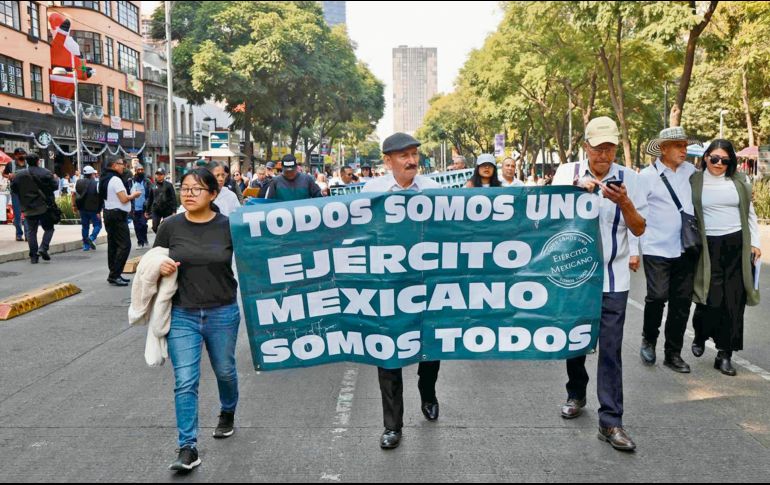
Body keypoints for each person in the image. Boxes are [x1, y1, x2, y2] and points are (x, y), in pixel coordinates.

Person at [552, 116, 647, 452]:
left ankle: (611, 421)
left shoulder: (631, 179)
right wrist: (574, 194)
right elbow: (550, 218)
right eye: (597, 148)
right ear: (585, 147)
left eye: (610, 148)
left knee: (610, 348)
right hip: (575, 276)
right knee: (576, 340)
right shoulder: (567, 173)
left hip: (613, 277)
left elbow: (639, 227)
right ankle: (576, 392)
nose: (604, 155)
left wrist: (624, 202)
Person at [154, 168, 240, 472]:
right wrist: (160, 267)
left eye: (197, 189)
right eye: (185, 188)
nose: (189, 194)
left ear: (214, 194)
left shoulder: (229, 226)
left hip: (222, 311)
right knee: (185, 381)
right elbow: (152, 262)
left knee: (225, 371)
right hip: (182, 313)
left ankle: (227, 411)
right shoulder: (170, 226)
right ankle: (187, 447)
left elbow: (256, 259)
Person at [360, 132, 442, 450]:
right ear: (388, 160)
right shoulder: (371, 192)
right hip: (387, 287)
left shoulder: (434, 190)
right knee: (388, 353)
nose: (411, 161)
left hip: (428, 284)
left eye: (414, 154)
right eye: (404, 155)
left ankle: (428, 392)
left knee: (430, 346)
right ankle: (392, 426)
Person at [691, 140, 761, 376]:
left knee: (734, 302)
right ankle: (701, 332)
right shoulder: (695, 180)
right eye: (714, 158)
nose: (719, 164)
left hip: (737, 245)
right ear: (706, 157)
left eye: (724, 160)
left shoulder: (740, 180)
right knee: (711, 299)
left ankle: (725, 354)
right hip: (708, 247)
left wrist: (755, 243)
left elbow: (750, 213)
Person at [637, 127, 699, 373]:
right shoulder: (646, 177)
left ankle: (673, 354)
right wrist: (634, 250)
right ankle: (648, 339)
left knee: (681, 303)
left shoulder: (691, 172)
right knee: (657, 296)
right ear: (663, 149)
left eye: (685, 145)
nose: (684, 150)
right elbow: (636, 212)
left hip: (686, 247)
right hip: (656, 247)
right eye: (678, 146)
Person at [10, 154, 59, 264]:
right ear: (38, 161)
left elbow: (14, 189)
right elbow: (55, 186)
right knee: (49, 228)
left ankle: (33, 256)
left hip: (28, 207)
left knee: (31, 232)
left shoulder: (19, 175)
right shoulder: (46, 172)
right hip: (44, 206)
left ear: (27, 162)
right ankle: (43, 248)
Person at [100, 157, 141, 287]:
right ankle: (115, 275)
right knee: (125, 245)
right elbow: (123, 199)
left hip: (108, 213)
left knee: (113, 244)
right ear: (114, 165)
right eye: (121, 164)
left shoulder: (104, 178)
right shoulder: (115, 179)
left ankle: (113, 273)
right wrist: (134, 195)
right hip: (117, 215)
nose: (124, 166)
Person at [72, 165, 102, 251]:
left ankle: (86, 245)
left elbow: (73, 194)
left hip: (82, 209)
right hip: (93, 209)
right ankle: (91, 238)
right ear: (92, 174)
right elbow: (100, 197)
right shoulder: (96, 184)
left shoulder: (78, 182)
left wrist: (74, 206)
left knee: (85, 226)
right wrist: (99, 210)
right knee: (98, 225)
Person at [2, 148, 29, 241]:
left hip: (27, 192)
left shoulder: (28, 164)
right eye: (20, 154)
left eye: (23, 154)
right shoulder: (10, 164)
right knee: (17, 215)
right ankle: (19, 234)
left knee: (27, 214)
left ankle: (28, 235)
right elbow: (4, 174)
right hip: (15, 192)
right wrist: (9, 176)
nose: (22, 156)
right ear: (15, 156)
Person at [147, 168, 178, 233]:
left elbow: (173, 198)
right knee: (155, 227)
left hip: (167, 210)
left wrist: (174, 210)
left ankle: (165, 236)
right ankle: (160, 235)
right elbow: (150, 199)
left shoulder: (169, 185)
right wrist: (147, 210)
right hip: (156, 210)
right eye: (157, 174)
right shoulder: (153, 185)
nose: (159, 176)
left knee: (167, 227)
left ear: (164, 175)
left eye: (160, 174)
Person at [130, 163, 152, 248]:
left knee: (143, 225)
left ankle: (145, 239)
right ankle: (140, 242)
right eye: (138, 170)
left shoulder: (147, 181)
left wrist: (148, 205)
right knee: (137, 226)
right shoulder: (130, 181)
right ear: (135, 171)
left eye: (141, 170)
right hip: (134, 208)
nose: (140, 171)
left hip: (144, 208)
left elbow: (151, 194)